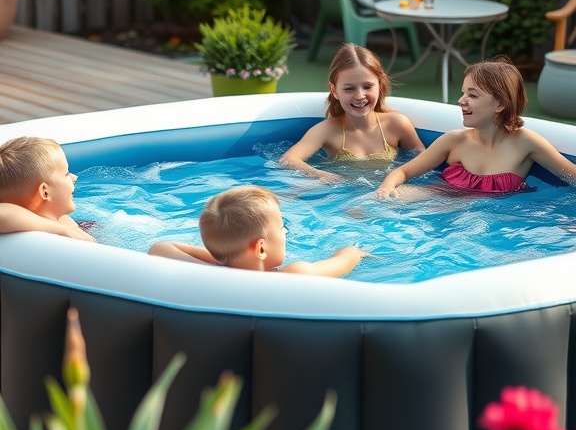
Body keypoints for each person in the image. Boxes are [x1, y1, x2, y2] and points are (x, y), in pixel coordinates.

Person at [377, 56, 576, 198]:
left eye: (472, 95)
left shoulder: (525, 142)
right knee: (372, 206)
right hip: (441, 204)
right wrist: (386, 188)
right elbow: (403, 172)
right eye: (463, 93)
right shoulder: (454, 140)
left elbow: (571, 175)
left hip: (499, 225)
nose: (461, 101)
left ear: (500, 104)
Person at [280, 43, 424, 183]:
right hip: (343, 196)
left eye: (367, 87)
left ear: (379, 86)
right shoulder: (327, 130)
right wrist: (323, 175)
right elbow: (288, 160)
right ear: (334, 90)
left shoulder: (396, 124)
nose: (360, 95)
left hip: (385, 194)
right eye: (349, 89)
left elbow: (425, 160)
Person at [148, 184, 364, 277]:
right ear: (261, 248)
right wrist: (355, 251)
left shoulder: (215, 273)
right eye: (282, 228)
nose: (286, 233)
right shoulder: (294, 274)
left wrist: (224, 259)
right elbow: (344, 263)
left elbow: (160, 248)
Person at [0, 136, 95, 241]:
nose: (74, 177)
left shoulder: (60, 218)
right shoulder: (49, 234)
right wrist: (62, 230)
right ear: (45, 192)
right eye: (66, 173)